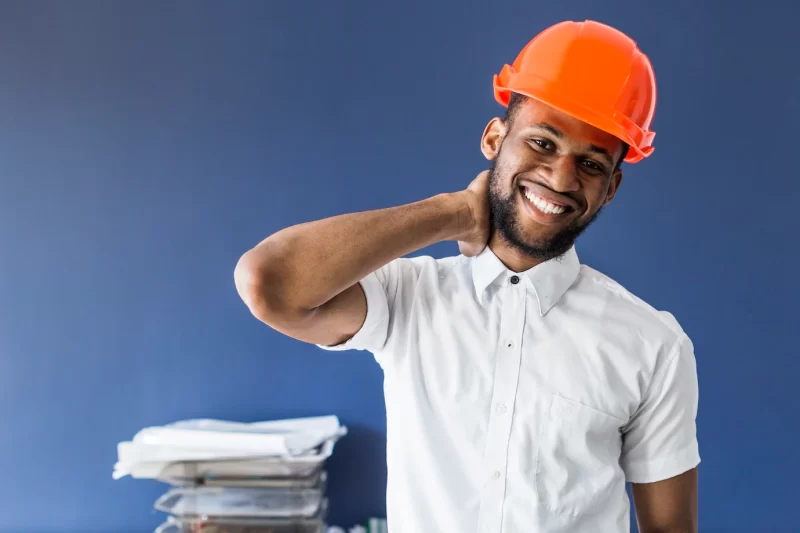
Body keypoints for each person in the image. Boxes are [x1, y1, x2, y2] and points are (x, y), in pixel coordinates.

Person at [235, 20, 699, 533]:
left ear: (610, 188)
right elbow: (268, 282)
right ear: (495, 138)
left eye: (590, 164)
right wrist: (452, 213)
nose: (562, 178)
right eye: (542, 144)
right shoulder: (407, 298)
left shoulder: (653, 345)